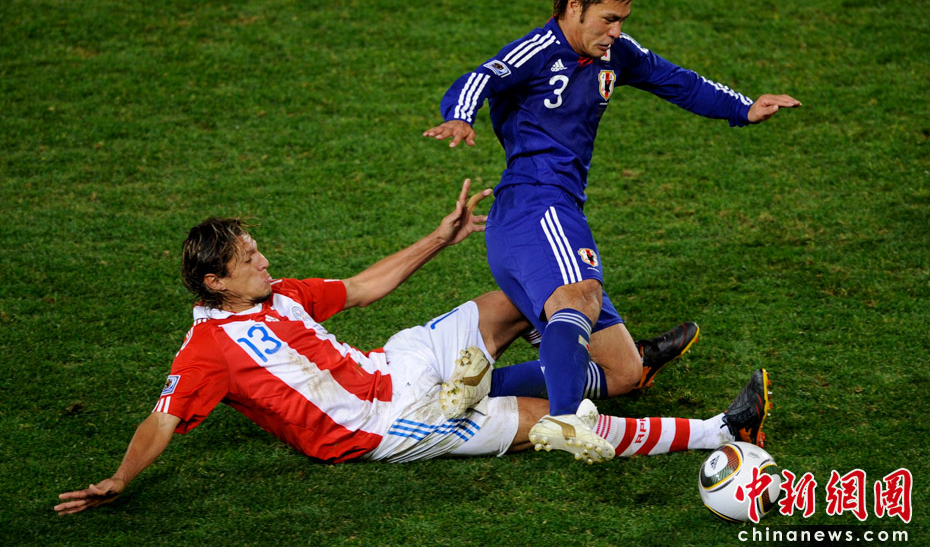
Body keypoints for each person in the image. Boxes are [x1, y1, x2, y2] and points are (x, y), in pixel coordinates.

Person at [55, 180, 772, 515]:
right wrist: (119, 478)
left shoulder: (280, 294)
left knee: (522, 295)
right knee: (543, 428)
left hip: (400, 363)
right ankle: (721, 430)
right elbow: (162, 421)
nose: (265, 260)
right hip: (386, 425)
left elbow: (363, 288)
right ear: (216, 283)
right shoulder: (205, 353)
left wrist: (440, 236)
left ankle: (604, 376)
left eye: (257, 249)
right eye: (249, 259)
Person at [423, 0, 799, 457]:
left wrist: (744, 107)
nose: (616, 31)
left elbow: (677, 80)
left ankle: (479, 385)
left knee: (623, 371)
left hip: (554, 211)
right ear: (574, 7)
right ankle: (563, 418)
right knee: (581, 295)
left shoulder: (614, 54)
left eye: (622, 20)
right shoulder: (538, 50)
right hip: (535, 205)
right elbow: (483, 75)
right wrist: (461, 115)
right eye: (608, 19)